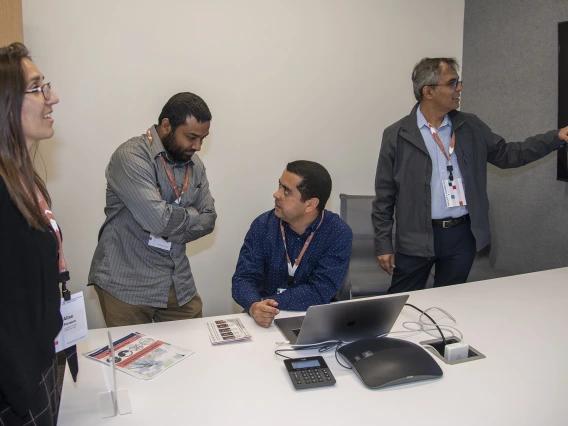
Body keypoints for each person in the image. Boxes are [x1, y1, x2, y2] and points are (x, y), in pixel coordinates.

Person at [372, 57, 568, 294]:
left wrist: (556, 137)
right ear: (428, 91)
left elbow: (509, 154)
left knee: (451, 304)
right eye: (452, 83)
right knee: (402, 307)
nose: (460, 88)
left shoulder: (470, 125)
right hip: (416, 237)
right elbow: (384, 196)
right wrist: (383, 244)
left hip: (461, 236)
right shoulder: (397, 135)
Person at [89, 92, 216, 326]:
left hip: (176, 281)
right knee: (135, 360)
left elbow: (209, 219)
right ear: (166, 126)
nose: (197, 146)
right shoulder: (131, 157)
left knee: (195, 349)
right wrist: (187, 215)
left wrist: (167, 220)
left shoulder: (195, 165)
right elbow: (158, 221)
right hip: (127, 283)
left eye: (203, 138)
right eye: (191, 137)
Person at [0, 42, 65, 425]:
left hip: (40, 362)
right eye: (38, 87)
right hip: (15, 385)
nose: (52, 98)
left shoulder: (25, 181)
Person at [232, 160, 353, 327]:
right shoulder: (263, 225)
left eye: (286, 191)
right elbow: (243, 278)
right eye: (279, 186)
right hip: (261, 319)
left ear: (310, 204)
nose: (276, 194)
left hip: (312, 319)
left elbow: (320, 290)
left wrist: (268, 303)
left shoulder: (337, 233)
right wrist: (254, 305)